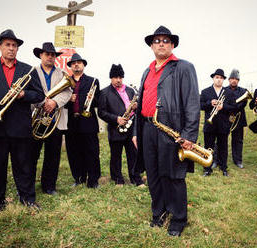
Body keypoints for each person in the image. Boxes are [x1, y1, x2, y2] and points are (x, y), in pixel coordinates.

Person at [132, 26, 200, 237]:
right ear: (151, 46)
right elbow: (140, 103)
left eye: (165, 40)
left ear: (172, 45)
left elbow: (192, 103)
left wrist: (188, 135)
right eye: (157, 40)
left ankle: (178, 218)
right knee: (152, 174)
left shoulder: (184, 67)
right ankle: (159, 212)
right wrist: (136, 131)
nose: (161, 43)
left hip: (171, 131)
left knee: (173, 175)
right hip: (147, 129)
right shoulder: (147, 70)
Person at [0, 29, 44, 216]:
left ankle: (27, 199)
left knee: (24, 165)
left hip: (20, 126)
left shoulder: (28, 69)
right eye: (7, 45)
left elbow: (39, 95)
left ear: (18, 49)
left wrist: (23, 94)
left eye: (14, 45)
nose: (11, 48)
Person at [30, 42, 73, 195]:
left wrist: (55, 102)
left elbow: (68, 93)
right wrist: (43, 102)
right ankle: (28, 186)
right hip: (36, 119)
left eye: (52, 54)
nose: (50, 56)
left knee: (53, 155)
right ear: (40, 55)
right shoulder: (32, 72)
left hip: (55, 121)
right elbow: (28, 91)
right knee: (31, 155)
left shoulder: (62, 73)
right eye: (47, 54)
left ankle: (49, 186)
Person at [98, 64, 144, 187]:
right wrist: (116, 119)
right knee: (115, 156)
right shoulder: (104, 92)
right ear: (111, 78)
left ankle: (136, 178)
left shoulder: (130, 90)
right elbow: (101, 112)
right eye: (115, 77)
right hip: (115, 129)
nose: (118, 80)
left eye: (120, 77)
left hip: (131, 129)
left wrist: (136, 106)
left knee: (133, 155)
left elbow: (138, 106)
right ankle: (118, 179)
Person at [65, 53, 101, 188]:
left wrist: (92, 98)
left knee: (91, 151)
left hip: (88, 121)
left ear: (83, 65)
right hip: (71, 122)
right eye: (73, 63)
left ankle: (93, 180)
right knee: (74, 151)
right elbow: (60, 102)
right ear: (70, 67)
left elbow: (99, 102)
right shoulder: (66, 81)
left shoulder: (93, 81)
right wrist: (69, 100)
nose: (76, 64)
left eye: (79, 62)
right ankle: (78, 178)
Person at [200, 69, 235, 177]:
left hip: (223, 125)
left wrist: (223, 106)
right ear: (213, 78)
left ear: (223, 80)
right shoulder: (205, 91)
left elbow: (234, 107)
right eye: (217, 77)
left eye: (221, 78)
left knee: (223, 147)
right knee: (208, 147)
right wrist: (210, 103)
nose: (219, 80)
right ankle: (207, 168)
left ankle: (224, 168)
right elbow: (200, 106)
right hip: (209, 124)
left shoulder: (228, 92)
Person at [225, 69, 248, 169]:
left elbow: (244, 103)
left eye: (236, 79)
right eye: (232, 79)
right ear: (229, 80)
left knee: (238, 140)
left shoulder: (243, 91)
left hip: (239, 118)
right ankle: (220, 159)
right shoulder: (223, 90)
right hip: (225, 117)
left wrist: (232, 106)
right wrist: (233, 106)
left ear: (238, 81)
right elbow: (224, 104)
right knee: (222, 139)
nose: (234, 80)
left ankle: (238, 160)